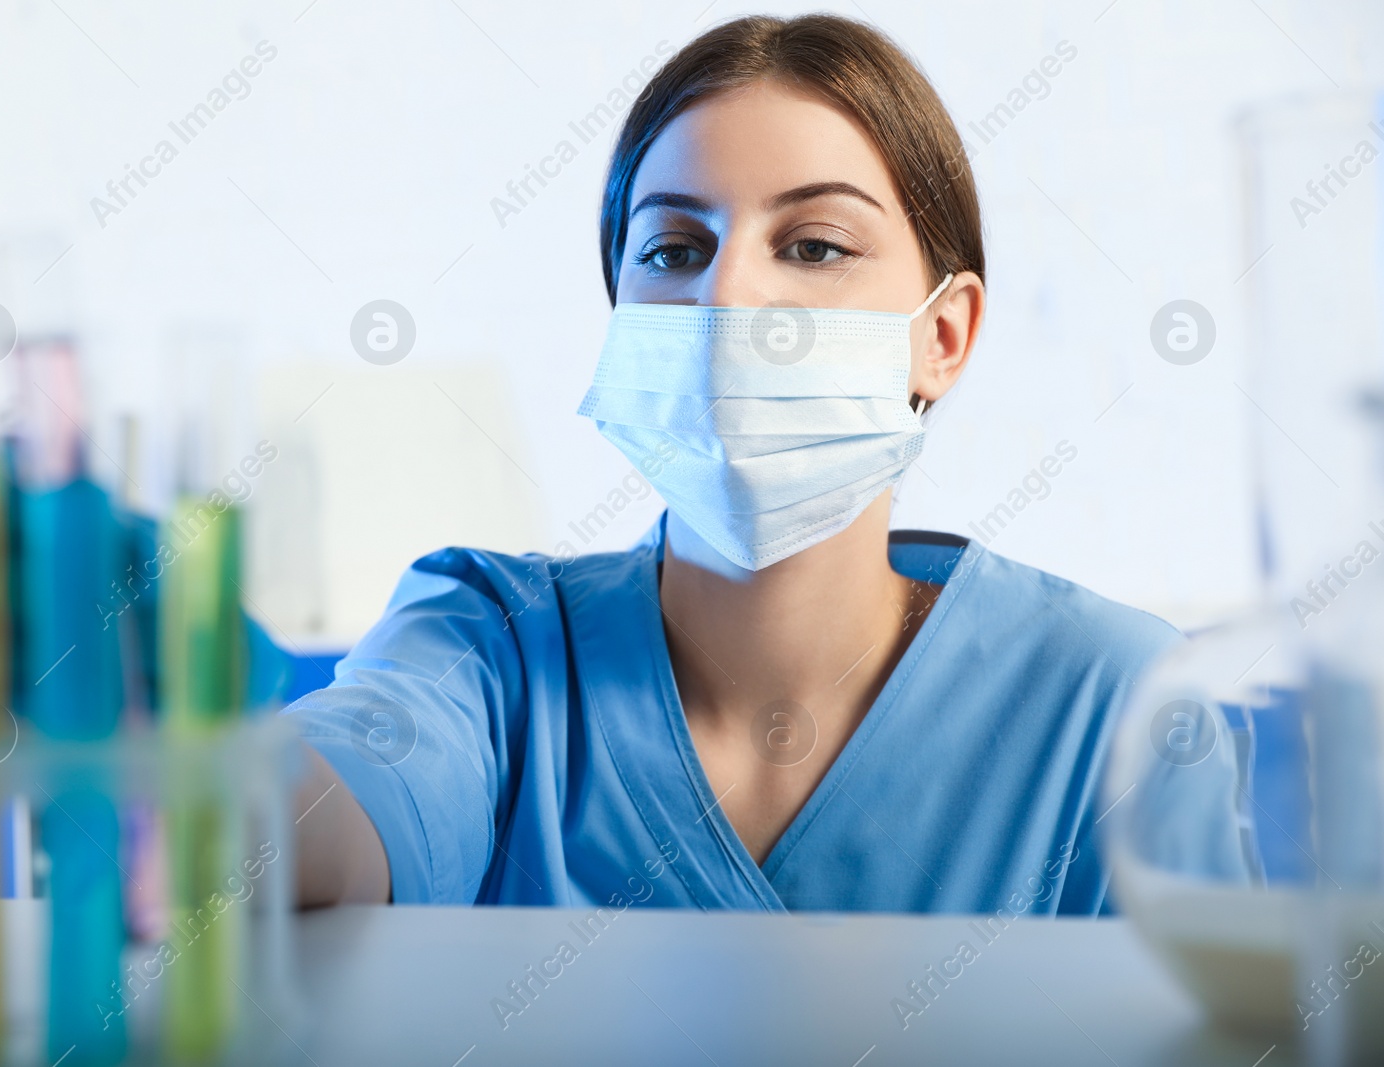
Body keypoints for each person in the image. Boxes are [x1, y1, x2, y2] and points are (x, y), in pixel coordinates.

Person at [286, 13, 1180, 913]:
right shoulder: (487, 651)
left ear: (942, 337)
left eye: (815, 245)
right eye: (675, 249)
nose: (727, 293)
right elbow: (307, 822)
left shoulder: (1115, 705)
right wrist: (191, 774)